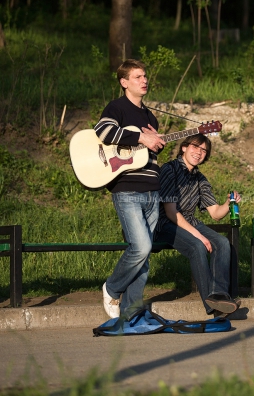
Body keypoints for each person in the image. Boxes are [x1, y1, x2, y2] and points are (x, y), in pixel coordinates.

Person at [96, 59, 165, 319]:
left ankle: (132, 311)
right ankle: (112, 288)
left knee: (144, 256)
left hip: (152, 190)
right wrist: (140, 137)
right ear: (124, 82)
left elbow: (147, 156)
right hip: (126, 189)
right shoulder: (117, 107)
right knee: (141, 247)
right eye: (137, 77)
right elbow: (103, 131)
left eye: (145, 76)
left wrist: (155, 145)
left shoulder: (151, 116)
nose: (144, 80)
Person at [154, 134, 241, 317]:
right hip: (164, 223)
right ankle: (213, 307)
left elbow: (216, 213)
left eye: (204, 150)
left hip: (188, 222)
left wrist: (229, 203)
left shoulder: (200, 178)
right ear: (184, 147)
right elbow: (170, 212)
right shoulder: (169, 170)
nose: (199, 152)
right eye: (195, 147)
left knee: (222, 243)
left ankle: (219, 294)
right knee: (197, 246)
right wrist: (199, 236)